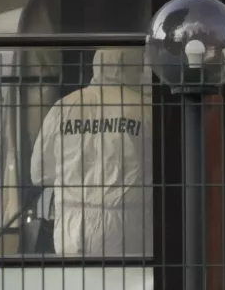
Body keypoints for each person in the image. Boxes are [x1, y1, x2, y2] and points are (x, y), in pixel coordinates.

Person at [29, 47, 153, 256]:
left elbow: (39, 173)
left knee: (75, 278)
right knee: (127, 277)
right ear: (133, 67)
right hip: (127, 226)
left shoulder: (64, 107)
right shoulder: (145, 109)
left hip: (72, 224)